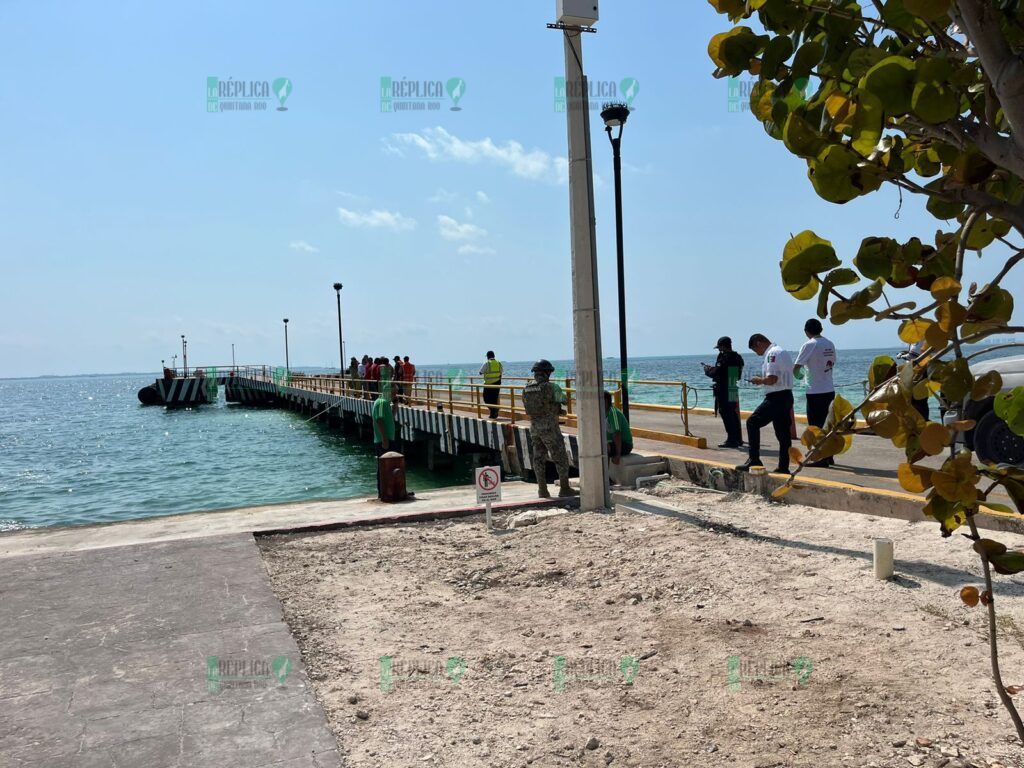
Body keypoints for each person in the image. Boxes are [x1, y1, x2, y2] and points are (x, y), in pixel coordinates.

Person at [737, 333, 795, 475]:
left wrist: (759, 380)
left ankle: (754, 459)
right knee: (783, 434)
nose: (757, 354)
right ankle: (783, 466)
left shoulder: (772, 354)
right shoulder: (783, 351)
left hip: (776, 397)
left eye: (755, 350)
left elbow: (772, 379)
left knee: (752, 422)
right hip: (787, 395)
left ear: (759, 343)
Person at [521, 359, 577, 498]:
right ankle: (564, 488)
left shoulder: (526, 388)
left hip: (534, 427)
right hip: (549, 427)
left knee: (538, 458)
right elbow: (564, 399)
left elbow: (527, 406)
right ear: (547, 373)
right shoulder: (552, 387)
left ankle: (542, 490)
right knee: (560, 457)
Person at [794, 319, 837, 467]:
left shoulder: (809, 344)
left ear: (807, 331)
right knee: (828, 426)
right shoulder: (829, 344)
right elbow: (832, 363)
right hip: (829, 389)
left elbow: (797, 367)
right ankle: (829, 456)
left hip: (815, 391)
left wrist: (799, 377)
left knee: (815, 427)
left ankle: (821, 459)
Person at [702, 336, 745, 448]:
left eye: (719, 348)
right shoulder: (737, 357)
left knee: (726, 413)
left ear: (723, 346)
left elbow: (717, 373)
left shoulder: (724, 358)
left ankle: (732, 439)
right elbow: (734, 373)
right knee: (733, 413)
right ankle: (738, 438)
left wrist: (707, 370)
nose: (719, 350)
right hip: (732, 386)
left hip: (724, 388)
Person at [372, 385, 396, 495]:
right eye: (393, 392)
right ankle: (382, 492)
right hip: (384, 441)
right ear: (388, 391)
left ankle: (391, 489)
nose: (395, 395)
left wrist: (395, 406)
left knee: (391, 466)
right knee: (383, 467)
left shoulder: (385, 403)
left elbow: (389, 417)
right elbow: (379, 420)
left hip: (389, 439)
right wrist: (384, 439)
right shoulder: (381, 402)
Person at [605, 391, 633, 464]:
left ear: (607, 401)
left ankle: (605, 473)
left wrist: (618, 455)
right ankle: (603, 473)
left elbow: (617, 434)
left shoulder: (613, 413)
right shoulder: (602, 413)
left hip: (625, 444)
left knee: (604, 447)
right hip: (612, 443)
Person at [479, 351, 503, 419]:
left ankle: (493, 412)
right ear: (494, 356)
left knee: (486, 399)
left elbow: (480, 372)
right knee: (494, 399)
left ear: (487, 356)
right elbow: (501, 372)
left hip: (488, 384)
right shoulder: (499, 363)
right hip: (497, 384)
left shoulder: (487, 363)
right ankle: (493, 413)